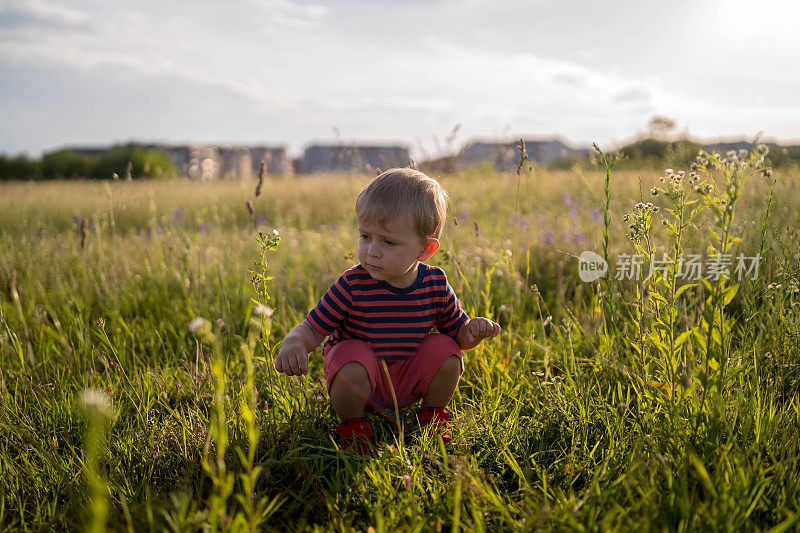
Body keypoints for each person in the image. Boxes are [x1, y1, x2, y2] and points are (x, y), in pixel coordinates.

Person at [274, 167, 501, 453]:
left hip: (406, 377)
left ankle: (431, 418)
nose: (372, 251)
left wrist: (472, 331)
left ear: (425, 250)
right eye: (365, 236)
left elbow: (459, 335)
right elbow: (313, 327)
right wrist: (295, 342)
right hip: (360, 383)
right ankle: (353, 426)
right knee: (350, 356)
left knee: (446, 349)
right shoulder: (352, 284)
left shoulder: (434, 283)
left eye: (388, 242)